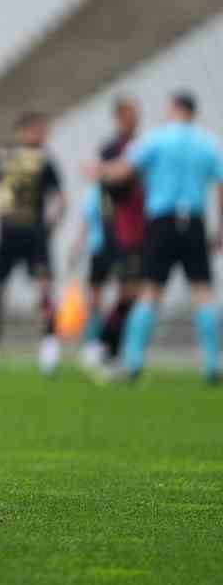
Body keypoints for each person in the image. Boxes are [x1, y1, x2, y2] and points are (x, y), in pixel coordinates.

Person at [89, 90, 222, 383]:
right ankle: (213, 364)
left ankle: (133, 363)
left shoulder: (156, 139)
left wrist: (99, 170)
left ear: (174, 108)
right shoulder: (208, 144)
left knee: (149, 291)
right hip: (195, 222)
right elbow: (220, 186)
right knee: (203, 293)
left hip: (162, 222)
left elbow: (124, 170)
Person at [0, 111, 64, 380]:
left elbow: (60, 199)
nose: (43, 134)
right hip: (12, 233)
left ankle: (49, 350)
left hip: (32, 234)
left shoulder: (45, 159)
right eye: (39, 129)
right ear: (24, 130)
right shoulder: (5, 157)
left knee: (44, 290)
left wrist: (51, 226)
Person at [79, 96, 146, 369]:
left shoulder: (142, 146)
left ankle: (109, 345)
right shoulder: (111, 148)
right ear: (119, 117)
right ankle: (97, 343)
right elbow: (108, 186)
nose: (134, 117)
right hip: (112, 231)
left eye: (136, 112)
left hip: (136, 231)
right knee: (99, 291)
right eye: (129, 113)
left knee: (130, 291)